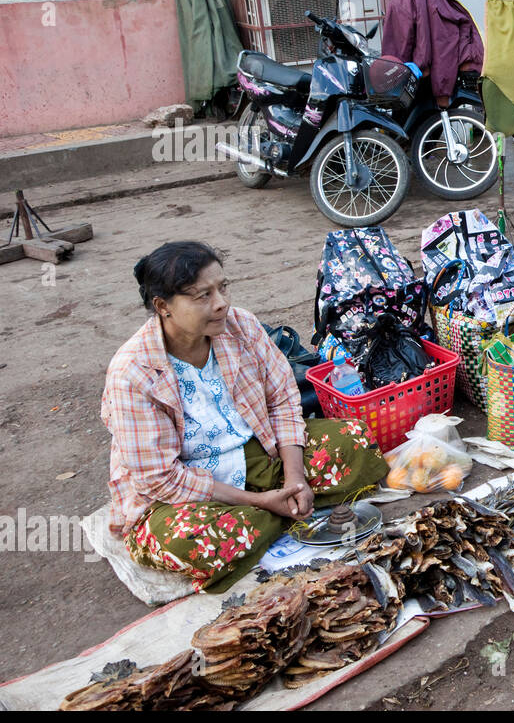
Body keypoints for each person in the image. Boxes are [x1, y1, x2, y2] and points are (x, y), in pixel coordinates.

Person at [101, 241, 388, 592]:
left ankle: (279, 508)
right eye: (201, 295)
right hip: (185, 490)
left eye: (222, 288)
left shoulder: (241, 326)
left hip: (256, 456)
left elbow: (283, 399)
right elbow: (158, 479)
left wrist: (295, 478)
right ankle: (269, 512)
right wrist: (257, 500)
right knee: (190, 541)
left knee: (355, 440)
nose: (221, 303)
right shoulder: (132, 371)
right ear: (163, 307)